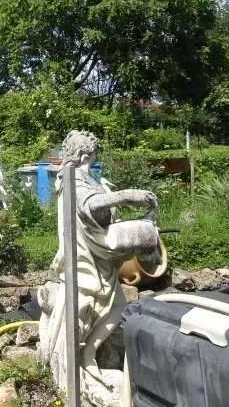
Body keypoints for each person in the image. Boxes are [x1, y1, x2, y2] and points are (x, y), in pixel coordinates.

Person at [38, 130, 158, 406]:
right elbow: (88, 205)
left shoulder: (88, 177)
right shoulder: (73, 180)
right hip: (83, 259)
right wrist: (126, 195)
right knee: (83, 311)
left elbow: (100, 208)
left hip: (100, 258)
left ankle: (90, 356)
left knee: (116, 309)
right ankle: (73, 372)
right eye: (92, 153)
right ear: (83, 154)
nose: (94, 157)